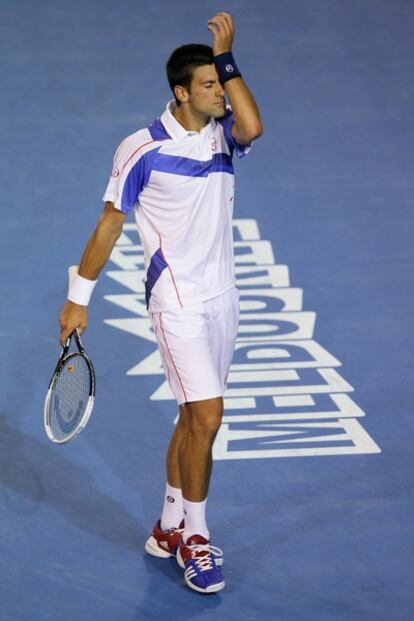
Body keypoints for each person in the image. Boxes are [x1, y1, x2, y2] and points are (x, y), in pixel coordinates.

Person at [59, 12, 262, 594]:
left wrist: (227, 59)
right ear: (180, 91)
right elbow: (108, 224)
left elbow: (254, 124)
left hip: (224, 299)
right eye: (209, 86)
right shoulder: (140, 149)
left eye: (221, 84)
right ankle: (195, 537)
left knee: (192, 415)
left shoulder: (223, 131)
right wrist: (79, 299)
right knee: (208, 415)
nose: (221, 94)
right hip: (176, 303)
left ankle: (168, 524)